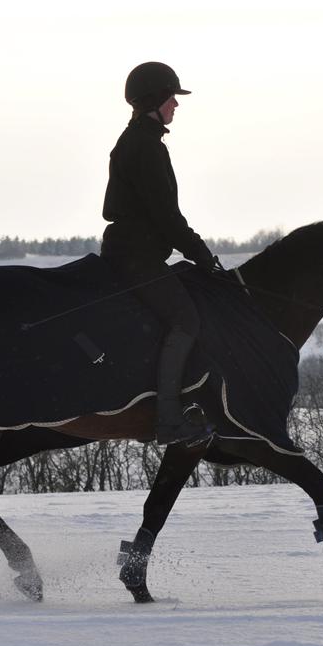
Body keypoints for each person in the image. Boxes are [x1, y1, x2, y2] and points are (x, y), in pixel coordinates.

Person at [101, 61, 220, 444]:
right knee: (186, 319)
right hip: (136, 258)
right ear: (154, 100)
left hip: (138, 253)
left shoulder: (140, 140)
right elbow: (167, 216)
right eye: (172, 97)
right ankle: (168, 420)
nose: (176, 105)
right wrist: (201, 255)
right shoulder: (145, 147)